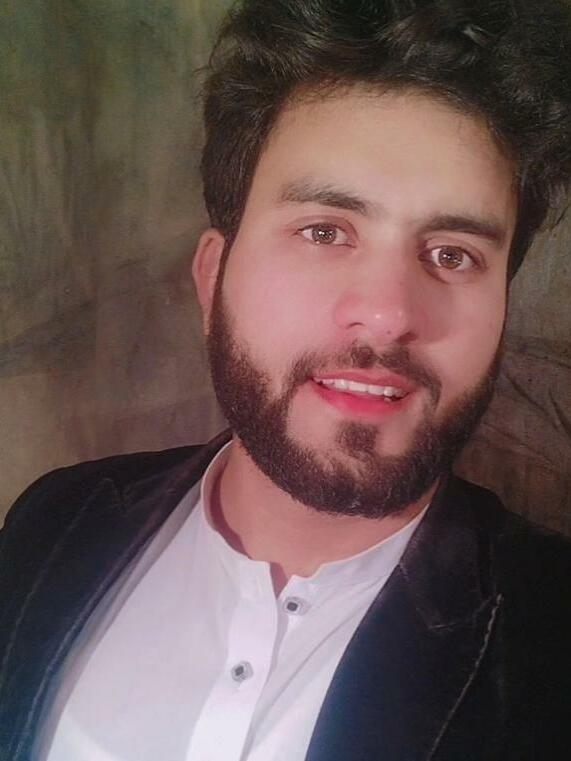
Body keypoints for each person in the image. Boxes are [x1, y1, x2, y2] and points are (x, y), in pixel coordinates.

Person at [2, 0, 571, 759]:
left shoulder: (549, 642)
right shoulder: (53, 521)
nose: (388, 315)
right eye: (324, 231)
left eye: (452, 254)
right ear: (214, 278)